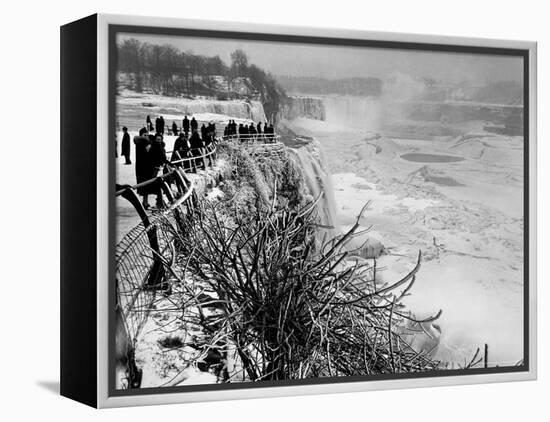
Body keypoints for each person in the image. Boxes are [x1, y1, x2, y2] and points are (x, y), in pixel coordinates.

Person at [148, 133, 168, 208]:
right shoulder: (153, 148)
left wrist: (165, 163)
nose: (159, 141)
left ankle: (160, 201)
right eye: (157, 139)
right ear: (155, 140)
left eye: (160, 139)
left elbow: (163, 157)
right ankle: (159, 202)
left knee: (161, 184)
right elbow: (151, 158)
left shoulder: (162, 147)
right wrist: (156, 165)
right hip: (156, 168)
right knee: (158, 185)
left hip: (161, 168)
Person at [134, 128, 152, 209]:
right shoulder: (142, 142)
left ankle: (145, 202)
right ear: (141, 135)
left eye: (147, 135)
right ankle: (145, 202)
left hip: (144, 166)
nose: (146, 136)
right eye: (144, 135)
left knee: (146, 186)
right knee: (145, 185)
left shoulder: (141, 142)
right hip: (142, 167)